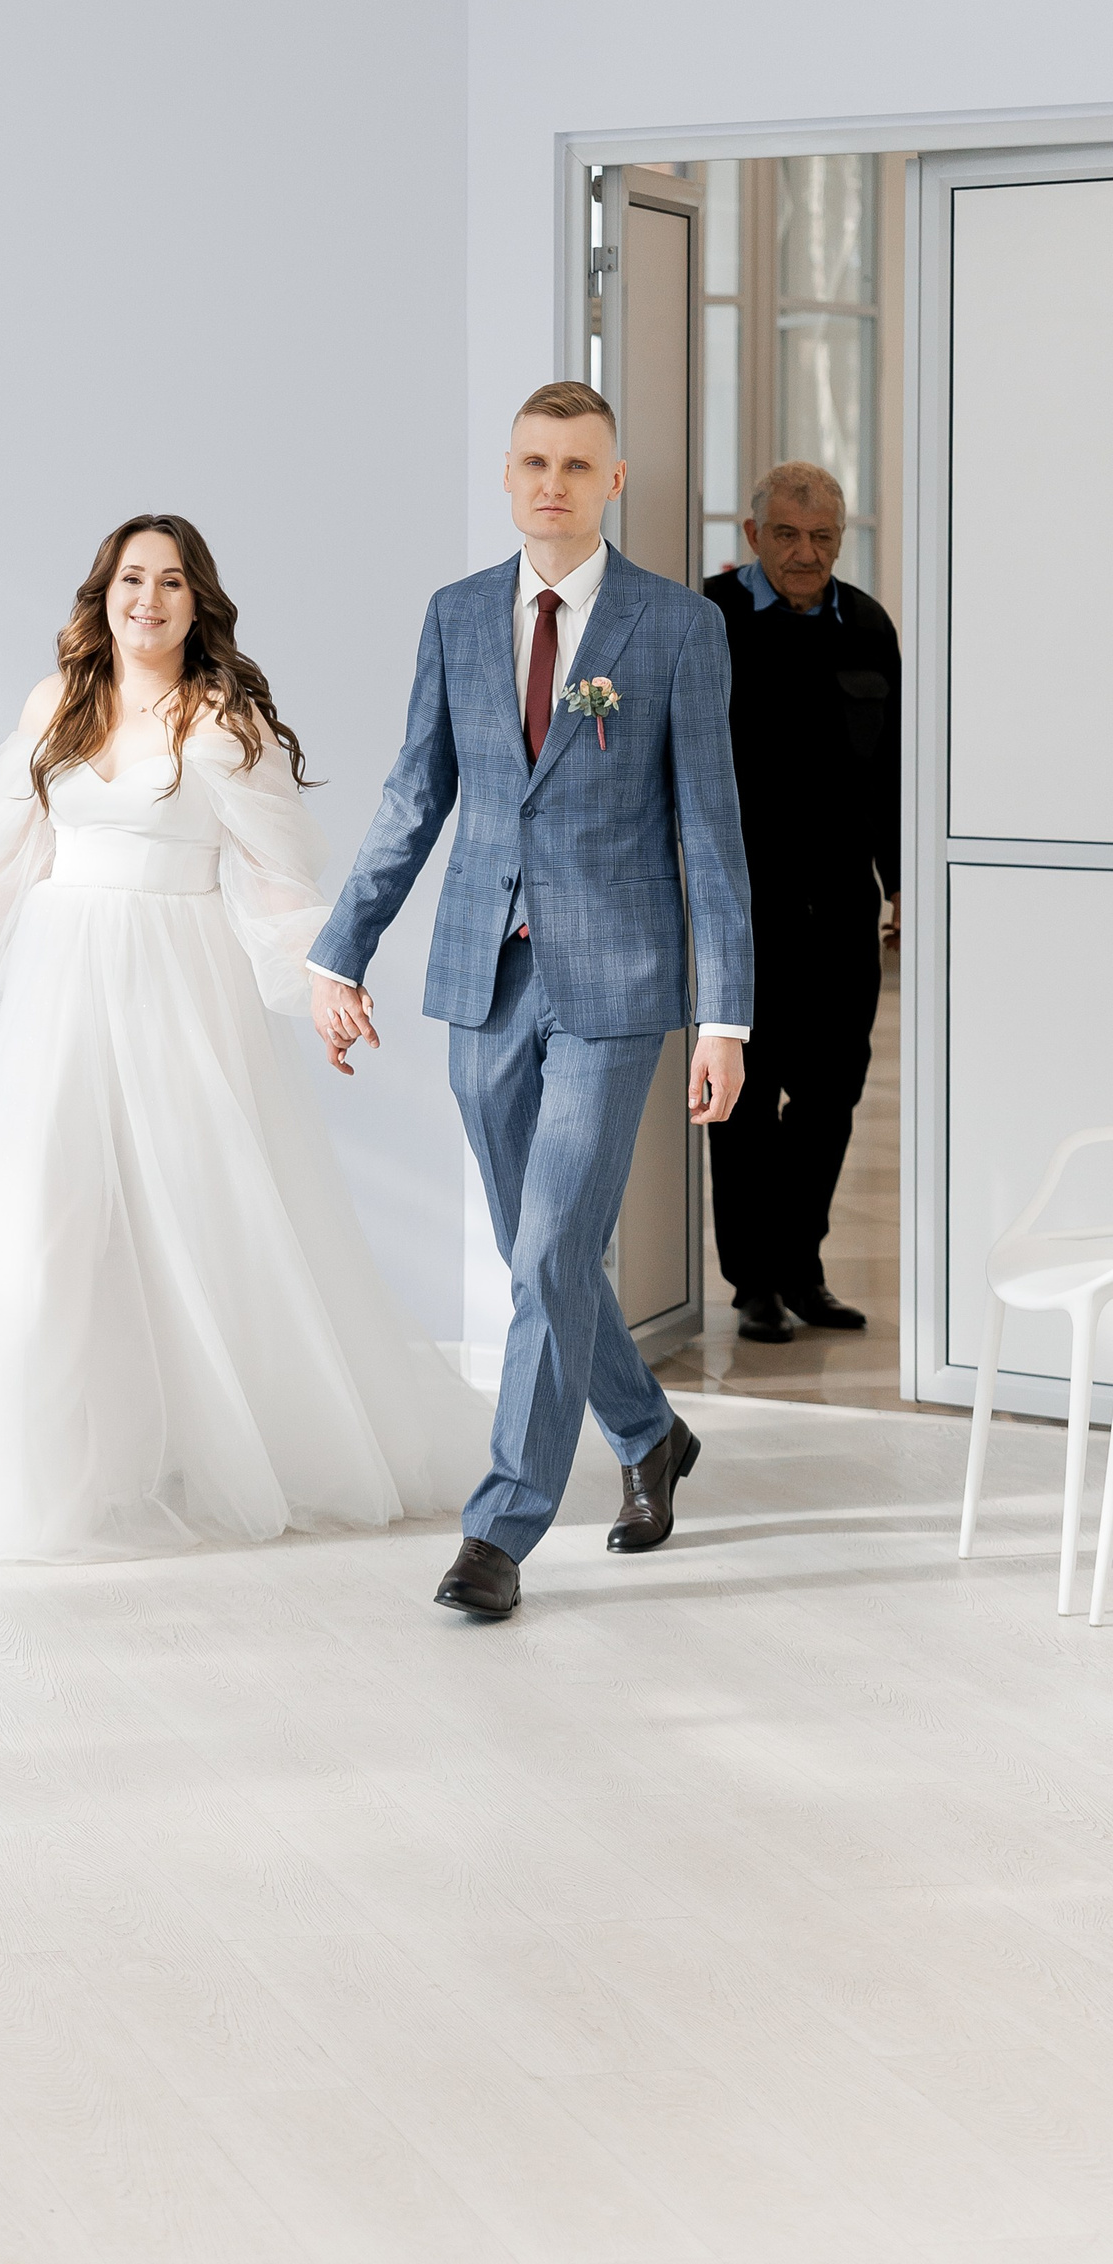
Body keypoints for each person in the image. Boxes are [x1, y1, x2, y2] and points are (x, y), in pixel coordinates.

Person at [0, 514, 483, 1564]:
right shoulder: (54, 703)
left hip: (177, 984)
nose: (147, 599)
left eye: (171, 582)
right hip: (58, 982)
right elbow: (14, 859)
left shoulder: (220, 715)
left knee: (200, 1215)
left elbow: (276, 877)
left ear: (199, 605)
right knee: (43, 1223)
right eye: (131, 579)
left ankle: (234, 1446)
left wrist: (325, 979)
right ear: (102, 593)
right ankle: (31, 1473)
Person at [307, 382, 753, 1621]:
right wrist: (342, 952)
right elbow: (416, 794)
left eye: (577, 464)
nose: (553, 483)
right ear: (508, 475)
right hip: (483, 972)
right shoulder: (457, 615)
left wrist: (726, 1018)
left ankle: (499, 1531)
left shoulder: (676, 627)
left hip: (618, 984)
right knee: (535, 1252)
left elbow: (712, 830)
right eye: (533, 462)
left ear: (615, 481)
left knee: (555, 1246)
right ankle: (648, 1432)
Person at [701, 464, 901, 1345]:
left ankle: (801, 1267)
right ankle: (754, 1283)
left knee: (832, 1092)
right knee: (746, 1098)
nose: (806, 554)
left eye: (822, 538)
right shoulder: (708, 617)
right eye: (787, 535)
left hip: (843, 909)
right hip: (745, 909)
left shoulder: (868, 625)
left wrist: (903, 884)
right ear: (754, 536)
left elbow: (893, 772)